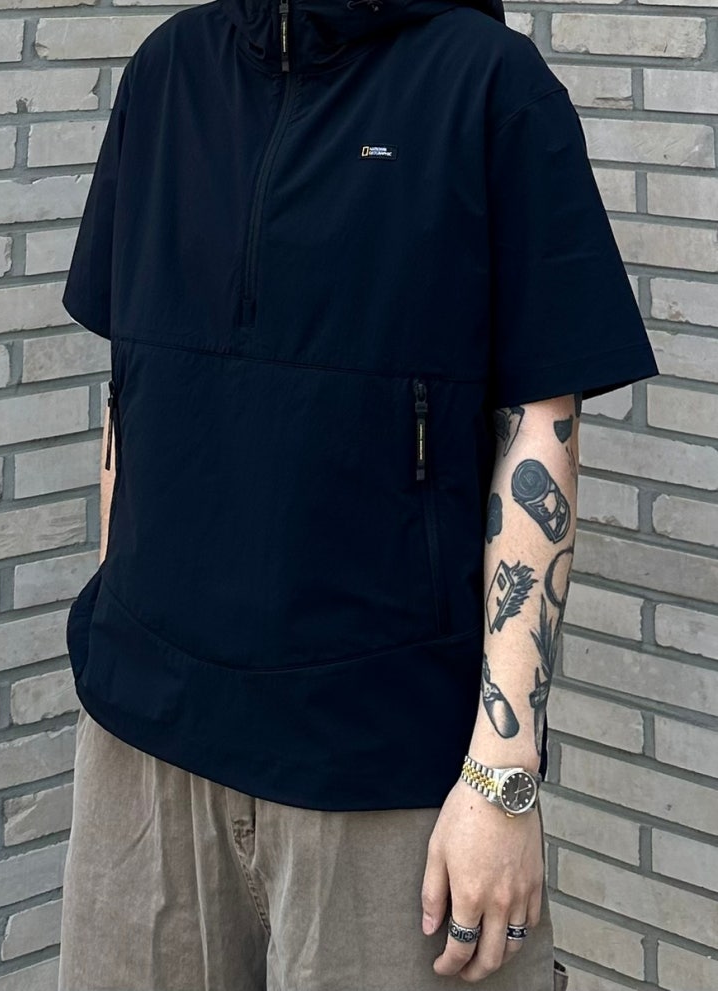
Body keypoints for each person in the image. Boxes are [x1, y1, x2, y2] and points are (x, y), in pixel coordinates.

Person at [57, 0, 660, 988]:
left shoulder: (488, 85)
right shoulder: (164, 75)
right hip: (144, 743)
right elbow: (131, 395)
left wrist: (502, 776)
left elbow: (539, 434)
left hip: (382, 770)